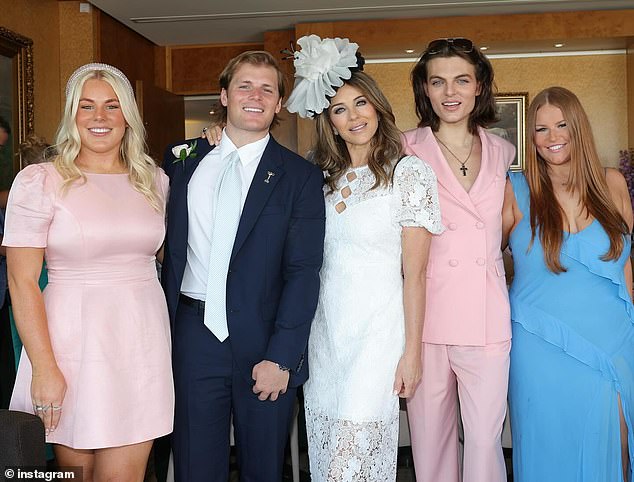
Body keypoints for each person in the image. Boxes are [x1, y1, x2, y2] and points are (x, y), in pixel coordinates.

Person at [282, 35, 443, 481]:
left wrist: (411, 353)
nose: (353, 117)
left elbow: (416, 275)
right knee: (329, 450)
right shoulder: (320, 178)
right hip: (327, 333)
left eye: (360, 104)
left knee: (354, 455)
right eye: (339, 109)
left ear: (377, 107)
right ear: (329, 122)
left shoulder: (409, 173)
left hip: (378, 334)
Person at [4, 63, 174, 480]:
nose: (100, 118)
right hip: (70, 347)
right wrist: (44, 368)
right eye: (87, 106)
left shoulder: (155, 180)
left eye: (112, 106)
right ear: (72, 116)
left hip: (142, 343)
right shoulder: (39, 181)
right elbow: (22, 281)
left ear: (128, 116)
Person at [161, 50, 325, 482]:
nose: (255, 95)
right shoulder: (183, 161)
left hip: (265, 342)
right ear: (224, 96)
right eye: (244, 86)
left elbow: (304, 273)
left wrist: (283, 357)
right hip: (193, 336)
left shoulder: (300, 177)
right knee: (195, 466)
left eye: (267, 89)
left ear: (279, 103)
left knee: (264, 469)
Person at [502, 86, 633, 482]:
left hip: (614, 343)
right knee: (548, 449)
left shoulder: (613, 184)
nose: (553, 137)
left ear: (578, 128)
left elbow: (628, 270)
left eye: (562, 126)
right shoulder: (514, 189)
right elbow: (480, 261)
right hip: (538, 349)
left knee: (616, 449)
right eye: (541, 129)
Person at [402, 37, 515, 482]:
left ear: (479, 86)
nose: (450, 92)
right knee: (430, 443)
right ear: (425, 91)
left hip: (487, 317)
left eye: (461, 80)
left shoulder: (503, 151)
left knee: (486, 441)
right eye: (438, 82)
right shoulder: (403, 149)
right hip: (425, 318)